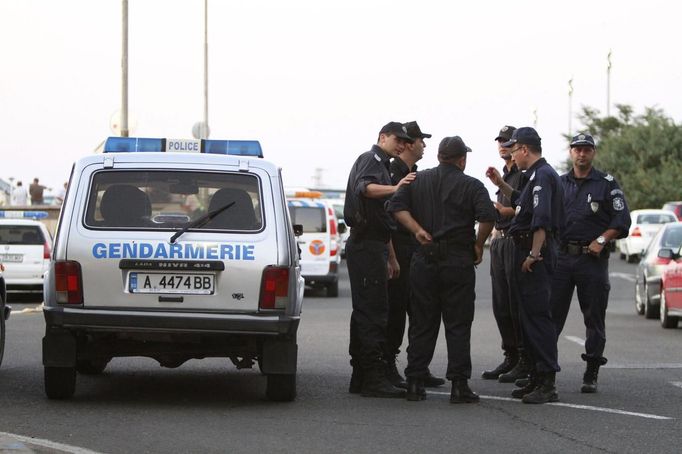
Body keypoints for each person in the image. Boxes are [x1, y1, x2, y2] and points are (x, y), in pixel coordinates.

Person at [389, 136, 496, 403]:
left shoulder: (417, 179)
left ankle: (415, 382)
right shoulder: (472, 185)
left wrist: (417, 231)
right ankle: (459, 385)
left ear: (438, 156)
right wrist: (479, 245)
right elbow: (487, 217)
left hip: (424, 259)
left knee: (422, 322)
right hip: (458, 261)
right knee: (458, 324)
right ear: (462, 159)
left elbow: (395, 207)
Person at [486, 127, 565, 404]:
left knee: (538, 318)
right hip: (527, 252)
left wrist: (533, 254)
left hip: (536, 256)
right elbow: (521, 201)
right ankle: (535, 376)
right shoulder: (535, 176)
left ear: (524, 150)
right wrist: (501, 183)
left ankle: (546, 381)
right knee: (528, 318)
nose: (510, 154)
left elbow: (540, 220)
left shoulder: (542, 176)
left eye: (513, 148)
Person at [551, 133, 630, 393]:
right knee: (551, 317)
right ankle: (545, 371)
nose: (581, 154)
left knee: (594, 318)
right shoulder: (560, 183)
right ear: (571, 152)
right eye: (577, 150)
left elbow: (622, 220)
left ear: (593, 153)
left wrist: (602, 239)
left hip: (591, 260)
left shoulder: (607, 184)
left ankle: (592, 370)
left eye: (586, 150)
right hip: (562, 258)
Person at [344, 121, 416, 398]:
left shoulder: (384, 163)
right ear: (382, 137)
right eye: (397, 139)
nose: (402, 145)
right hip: (365, 243)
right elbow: (366, 189)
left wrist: (392, 257)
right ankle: (371, 377)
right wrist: (397, 188)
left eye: (405, 141)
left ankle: (362, 375)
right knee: (371, 312)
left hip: (376, 242)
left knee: (372, 310)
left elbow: (382, 217)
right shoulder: (372, 158)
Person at [384, 121, 445, 390]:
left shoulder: (417, 175)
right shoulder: (391, 173)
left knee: (420, 313)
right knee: (395, 311)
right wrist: (391, 256)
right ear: (408, 143)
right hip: (396, 249)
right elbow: (386, 215)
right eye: (421, 140)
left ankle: (417, 367)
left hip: (416, 254)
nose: (424, 145)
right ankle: (387, 366)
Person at [482, 125, 531, 383]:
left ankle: (524, 359)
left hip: (515, 240)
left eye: (508, 141)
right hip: (499, 242)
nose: (503, 145)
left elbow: (526, 206)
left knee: (515, 303)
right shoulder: (504, 174)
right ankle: (510, 356)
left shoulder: (523, 174)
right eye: (500, 141)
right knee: (501, 304)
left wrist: (505, 212)